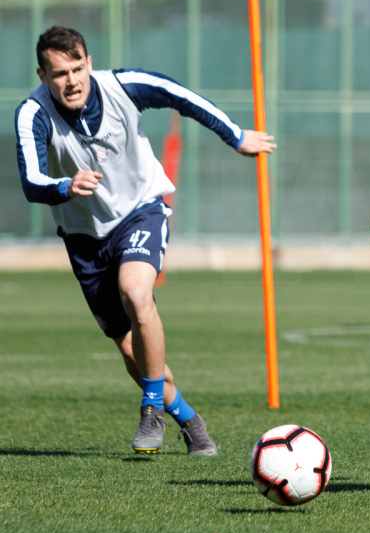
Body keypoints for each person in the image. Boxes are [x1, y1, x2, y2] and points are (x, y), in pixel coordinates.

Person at [15, 26, 275, 455]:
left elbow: (179, 95)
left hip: (140, 210)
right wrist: (64, 185)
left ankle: (151, 407)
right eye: (59, 73)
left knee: (136, 293)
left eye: (77, 68)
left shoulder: (123, 86)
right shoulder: (32, 113)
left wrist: (235, 136)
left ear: (89, 63)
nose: (72, 81)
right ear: (43, 76)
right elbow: (31, 181)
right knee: (128, 346)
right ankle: (188, 419)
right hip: (84, 240)